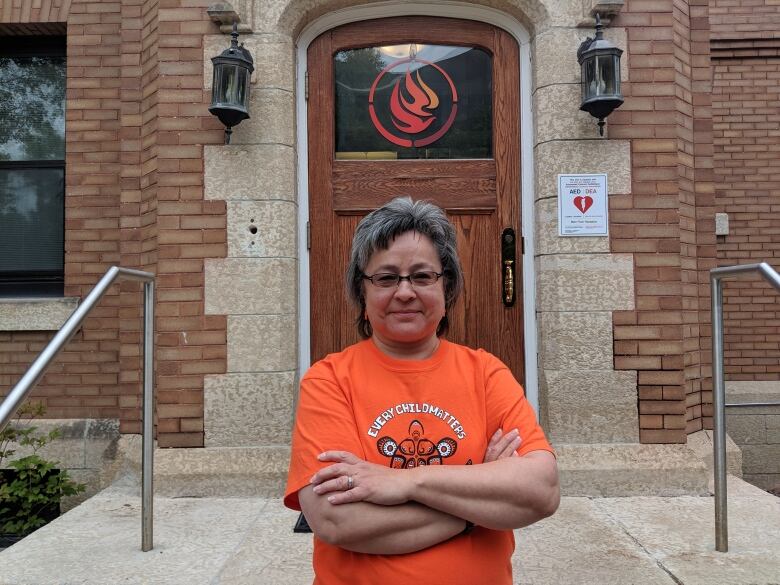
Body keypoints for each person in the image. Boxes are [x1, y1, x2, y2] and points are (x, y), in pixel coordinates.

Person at [284, 196, 559, 585]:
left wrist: (402, 482)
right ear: (362, 294)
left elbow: (541, 491)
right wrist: (479, 499)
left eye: (422, 276)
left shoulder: (486, 373)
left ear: (446, 290)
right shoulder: (328, 380)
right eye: (386, 277)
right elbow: (335, 519)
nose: (405, 291)